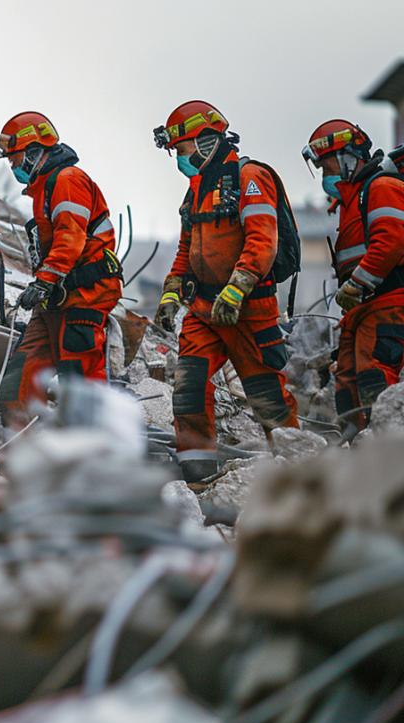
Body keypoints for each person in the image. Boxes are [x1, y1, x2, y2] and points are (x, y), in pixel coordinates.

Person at [152, 100, 298, 482]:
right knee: (189, 386)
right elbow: (186, 250)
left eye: (180, 150)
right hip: (203, 309)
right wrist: (170, 294)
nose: (179, 160)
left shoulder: (248, 177)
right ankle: (197, 472)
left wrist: (237, 289)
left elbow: (262, 240)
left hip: (248, 309)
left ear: (203, 140)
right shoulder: (195, 191)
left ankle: (299, 469)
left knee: (266, 394)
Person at [0, 111, 120, 419]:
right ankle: (17, 444)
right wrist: (45, 285)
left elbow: (70, 238)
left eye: (15, 159)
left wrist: (44, 281)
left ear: (34, 152)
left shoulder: (68, 181)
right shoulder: (45, 187)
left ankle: (91, 450)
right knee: (26, 363)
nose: (13, 167)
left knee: (80, 373)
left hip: (86, 292)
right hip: (57, 297)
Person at [302, 120, 404, 432]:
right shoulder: (352, 199)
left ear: (348, 156)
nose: (325, 175)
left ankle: (385, 452)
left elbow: (390, 244)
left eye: (326, 165)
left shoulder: (383, 187)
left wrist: (356, 284)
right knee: (346, 379)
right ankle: (355, 450)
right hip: (365, 304)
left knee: (375, 374)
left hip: (391, 297)